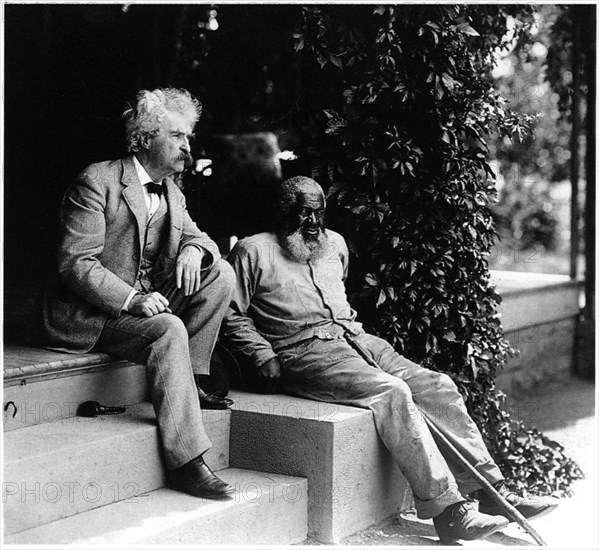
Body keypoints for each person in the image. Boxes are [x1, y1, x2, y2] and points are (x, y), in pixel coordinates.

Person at [222, 176, 558, 543]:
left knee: (437, 386)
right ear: (284, 212)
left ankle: (493, 493)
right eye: (305, 214)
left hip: (358, 340)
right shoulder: (253, 252)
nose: (314, 223)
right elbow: (230, 313)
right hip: (304, 351)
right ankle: (448, 512)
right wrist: (261, 352)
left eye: (320, 213)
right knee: (391, 392)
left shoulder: (334, 244)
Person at [29, 87, 235, 500]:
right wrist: (133, 299)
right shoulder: (97, 181)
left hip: (141, 303)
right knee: (167, 328)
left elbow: (205, 242)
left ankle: (187, 383)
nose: (187, 146)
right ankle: (186, 462)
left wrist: (193, 250)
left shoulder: (172, 191)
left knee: (221, 275)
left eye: (188, 137)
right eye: (177, 136)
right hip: (90, 312)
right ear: (145, 138)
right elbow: (76, 263)